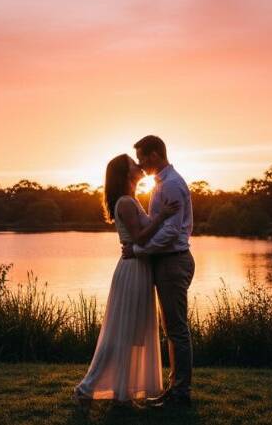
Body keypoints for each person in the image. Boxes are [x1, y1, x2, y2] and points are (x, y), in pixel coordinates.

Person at [73, 153, 179, 406]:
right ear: (125, 173)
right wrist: (162, 216)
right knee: (123, 331)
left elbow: (141, 237)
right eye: (133, 164)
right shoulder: (126, 203)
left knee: (134, 333)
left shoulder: (131, 200)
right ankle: (86, 389)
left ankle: (124, 391)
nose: (138, 166)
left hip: (139, 267)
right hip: (132, 269)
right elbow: (140, 238)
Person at [122, 134, 195, 408]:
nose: (141, 164)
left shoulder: (172, 185)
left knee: (177, 330)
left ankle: (181, 393)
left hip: (173, 261)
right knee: (172, 329)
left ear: (154, 154)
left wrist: (138, 251)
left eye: (142, 158)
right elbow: (159, 224)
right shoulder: (160, 184)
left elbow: (170, 232)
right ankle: (175, 388)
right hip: (166, 260)